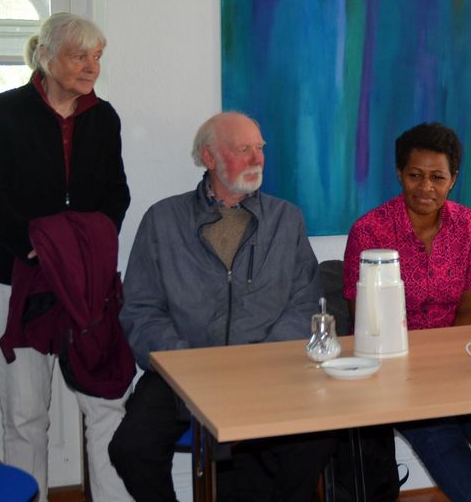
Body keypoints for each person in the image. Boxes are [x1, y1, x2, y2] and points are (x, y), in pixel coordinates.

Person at [109, 112, 335, 502]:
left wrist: (262, 360)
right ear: (209, 158)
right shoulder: (163, 220)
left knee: (317, 437)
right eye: (242, 149)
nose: (256, 159)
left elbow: (305, 304)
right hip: (184, 371)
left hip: (268, 370)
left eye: (260, 148)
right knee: (131, 447)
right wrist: (187, 364)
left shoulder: (286, 219)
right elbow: (141, 310)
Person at [0, 12, 132, 501]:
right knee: (25, 413)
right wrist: (38, 245)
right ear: (45, 56)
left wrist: (87, 251)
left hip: (85, 283)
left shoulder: (104, 118)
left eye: (97, 56)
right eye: (79, 55)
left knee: (106, 403)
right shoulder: (1, 112)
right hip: (15, 276)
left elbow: (116, 195)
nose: (91, 66)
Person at [343, 122, 471, 502]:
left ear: (453, 178)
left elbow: (469, 314)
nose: (425, 187)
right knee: (443, 442)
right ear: (399, 173)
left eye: (437, 177)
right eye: (415, 175)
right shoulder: (370, 232)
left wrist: (453, 375)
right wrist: (421, 377)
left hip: (461, 364)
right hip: (398, 375)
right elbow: (368, 325)